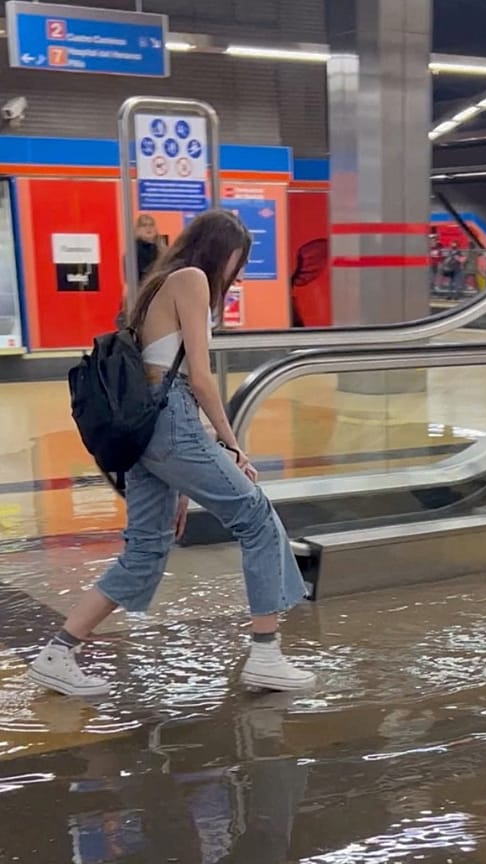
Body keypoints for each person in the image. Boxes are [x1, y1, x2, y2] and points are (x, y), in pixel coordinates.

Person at [28, 210, 316, 698]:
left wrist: (182, 481)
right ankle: (265, 654)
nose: (239, 273)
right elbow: (198, 378)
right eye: (238, 261)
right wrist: (231, 442)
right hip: (170, 421)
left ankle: (57, 653)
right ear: (220, 251)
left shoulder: (159, 285)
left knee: (145, 551)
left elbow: (160, 380)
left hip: (148, 429)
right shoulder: (192, 279)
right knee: (257, 516)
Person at [134, 214, 166, 282]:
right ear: (138, 229)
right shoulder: (134, 250)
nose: (148, 228)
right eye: (144, 225)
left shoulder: (160, 246)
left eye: (151, 225)